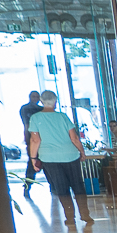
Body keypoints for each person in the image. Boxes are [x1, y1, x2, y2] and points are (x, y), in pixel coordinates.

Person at [28, 91, 93, 226]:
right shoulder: (63, 117)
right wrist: (82, 152)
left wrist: (33, 158)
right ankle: (85, 214)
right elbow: (74, 138)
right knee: (78, 185)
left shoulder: (35, 118)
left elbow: (35, 140)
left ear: (41, 101)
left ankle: (70, 217)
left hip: (49, 158)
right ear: (55, 101)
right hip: (70, 155)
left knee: (61, 188)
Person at [19, 91, 43, 198]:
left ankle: (54, 187)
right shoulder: (25, 109)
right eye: (34, 96)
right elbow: (26, 125)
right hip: (32, 139)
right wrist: (28, 141)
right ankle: (27, 186)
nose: (35, 98)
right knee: (32, 164)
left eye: (37, 97)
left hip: (41, 139)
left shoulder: (41, 109)